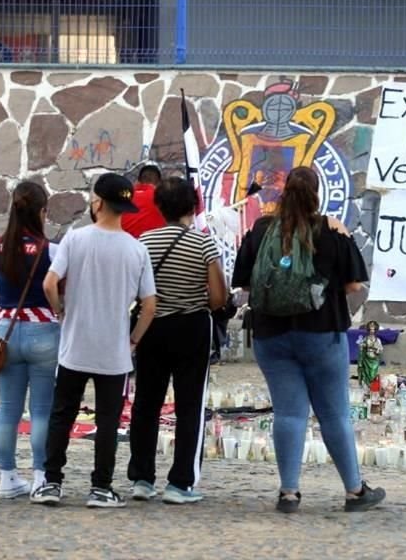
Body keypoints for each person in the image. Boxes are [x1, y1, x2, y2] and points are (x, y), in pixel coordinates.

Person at [232, 166, 385, 514]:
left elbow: (243, 283)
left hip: (271, 334)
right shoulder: (331, 230)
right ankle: (354, 490)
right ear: (317, 194)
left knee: (288, 413)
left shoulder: (260, 230)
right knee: (334, 415)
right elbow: (353, 286)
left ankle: (288, 493)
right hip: (321, 332)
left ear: (284, 192)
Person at [32, 173, 157, 508]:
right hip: (113, 350)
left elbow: (49, 283)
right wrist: (133, 339)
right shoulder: (137, 249)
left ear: (97, 202)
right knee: (107, 420)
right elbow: (150, 305)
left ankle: (51, 482)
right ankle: (100, 487)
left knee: (63, 414)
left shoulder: (75, 239)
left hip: (75, 344)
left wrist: (61, 312)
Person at [127, 177, 226, 504]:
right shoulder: (203, 243)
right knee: (190, 406)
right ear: (192, 207)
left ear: (159, 207)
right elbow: (217, 297)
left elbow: (137, 291)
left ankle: (141, 477)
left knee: (146, 404)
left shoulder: (144, 241)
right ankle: (181, 481)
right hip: (191, 327)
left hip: (152, 326)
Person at [0, 182, 60, 499]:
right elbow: (57, 288)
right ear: (41, 212)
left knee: (8, 409)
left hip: (6, 331)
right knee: (42, 409)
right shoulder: (51, 250)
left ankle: (7, 477)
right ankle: (41, 476)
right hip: (44, 330)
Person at [121, 165, 166, 238]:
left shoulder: (125, 195)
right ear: (159, 182)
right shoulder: (161, 197)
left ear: (138, 180)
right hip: (153, 244)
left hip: (126, 243)